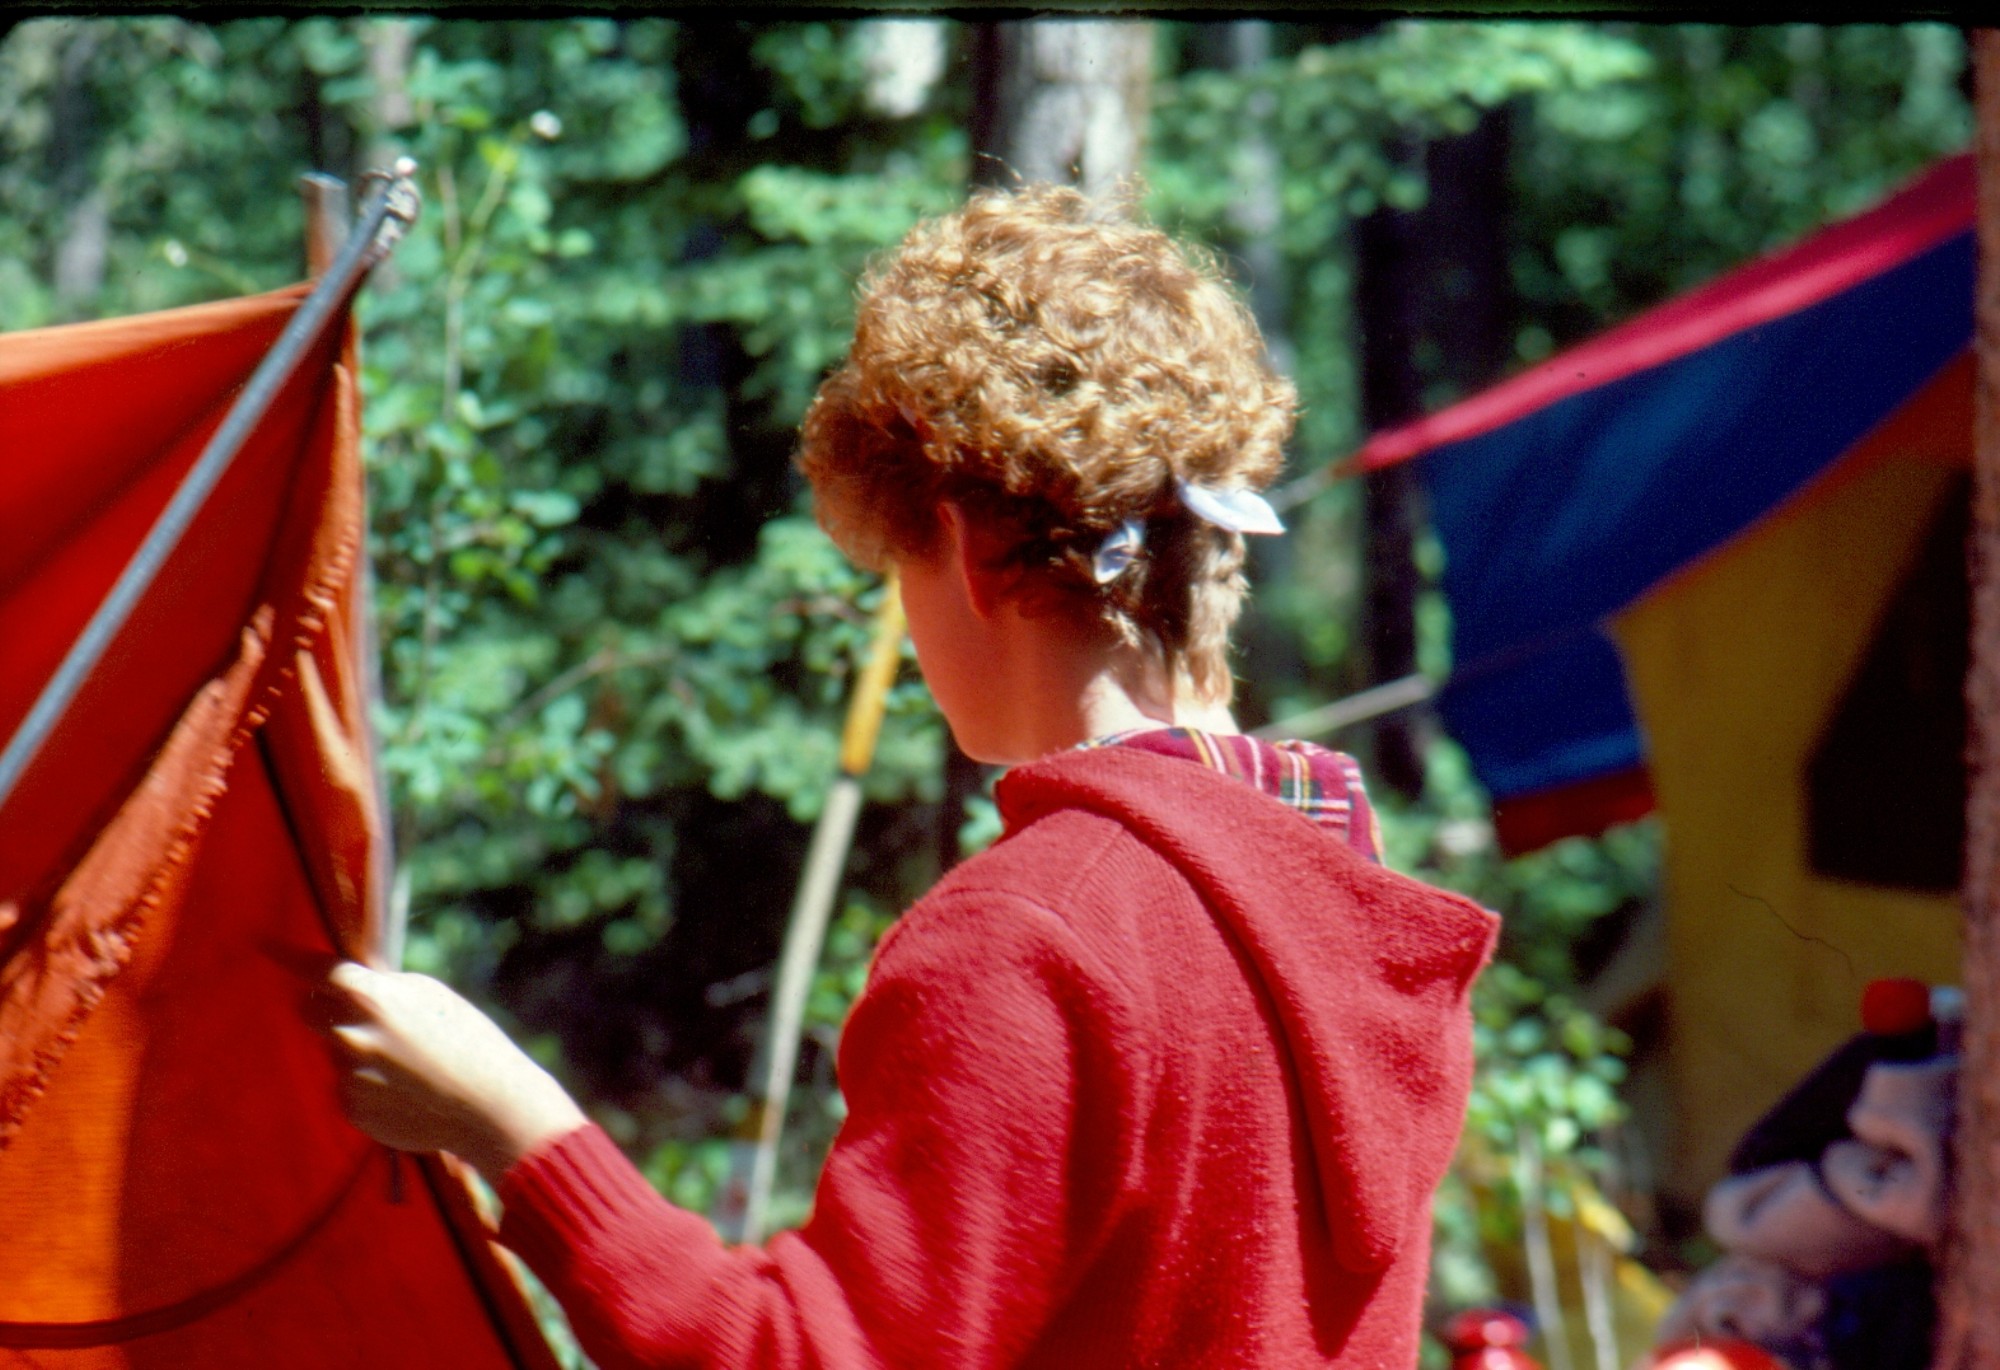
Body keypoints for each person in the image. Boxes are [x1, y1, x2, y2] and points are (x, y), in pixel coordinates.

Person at [319, 184, 1499, 1369]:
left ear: (968, 551)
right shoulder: (1342, 888)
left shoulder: (1036, 936)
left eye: (898, 565)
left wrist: (511, 1123)